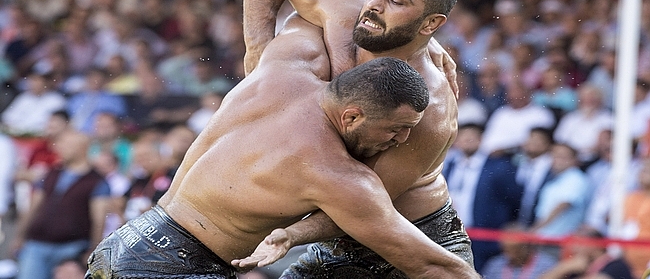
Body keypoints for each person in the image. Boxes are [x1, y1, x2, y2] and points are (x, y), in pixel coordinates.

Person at [86, 15, 477, 279]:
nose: (403, 141)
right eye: (397, 129)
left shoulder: (282, 68)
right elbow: (428, 264)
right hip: (175, 268)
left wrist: (424, 42)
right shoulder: (334, 173)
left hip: (126, 242)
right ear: (353, 117)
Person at [234, 0, 472, 278]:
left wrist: (291, 233)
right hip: (341, 239)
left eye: (397, 1)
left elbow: (365, 205)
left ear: (431, 23)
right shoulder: (350, 11)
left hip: (415, 238)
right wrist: (257, 62)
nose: (373, 5)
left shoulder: (429, 110)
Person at [12, 130, 110, 279]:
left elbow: (99, 219)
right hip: (37, 243)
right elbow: (33, 207)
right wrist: (20, 236)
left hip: (72, 247)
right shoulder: (52, 173)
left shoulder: (96, 181)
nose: (59, 148)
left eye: (67, 144)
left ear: (82, 148)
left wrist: (93, 249)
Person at [442, 124, 522, 272]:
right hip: (454, 235)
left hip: (485, 237)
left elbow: (514, 199)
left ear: (480, 140)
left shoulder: (498, 167)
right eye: (463, 139)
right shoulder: (450, 165)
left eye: (471, 139)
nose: (466, 142)